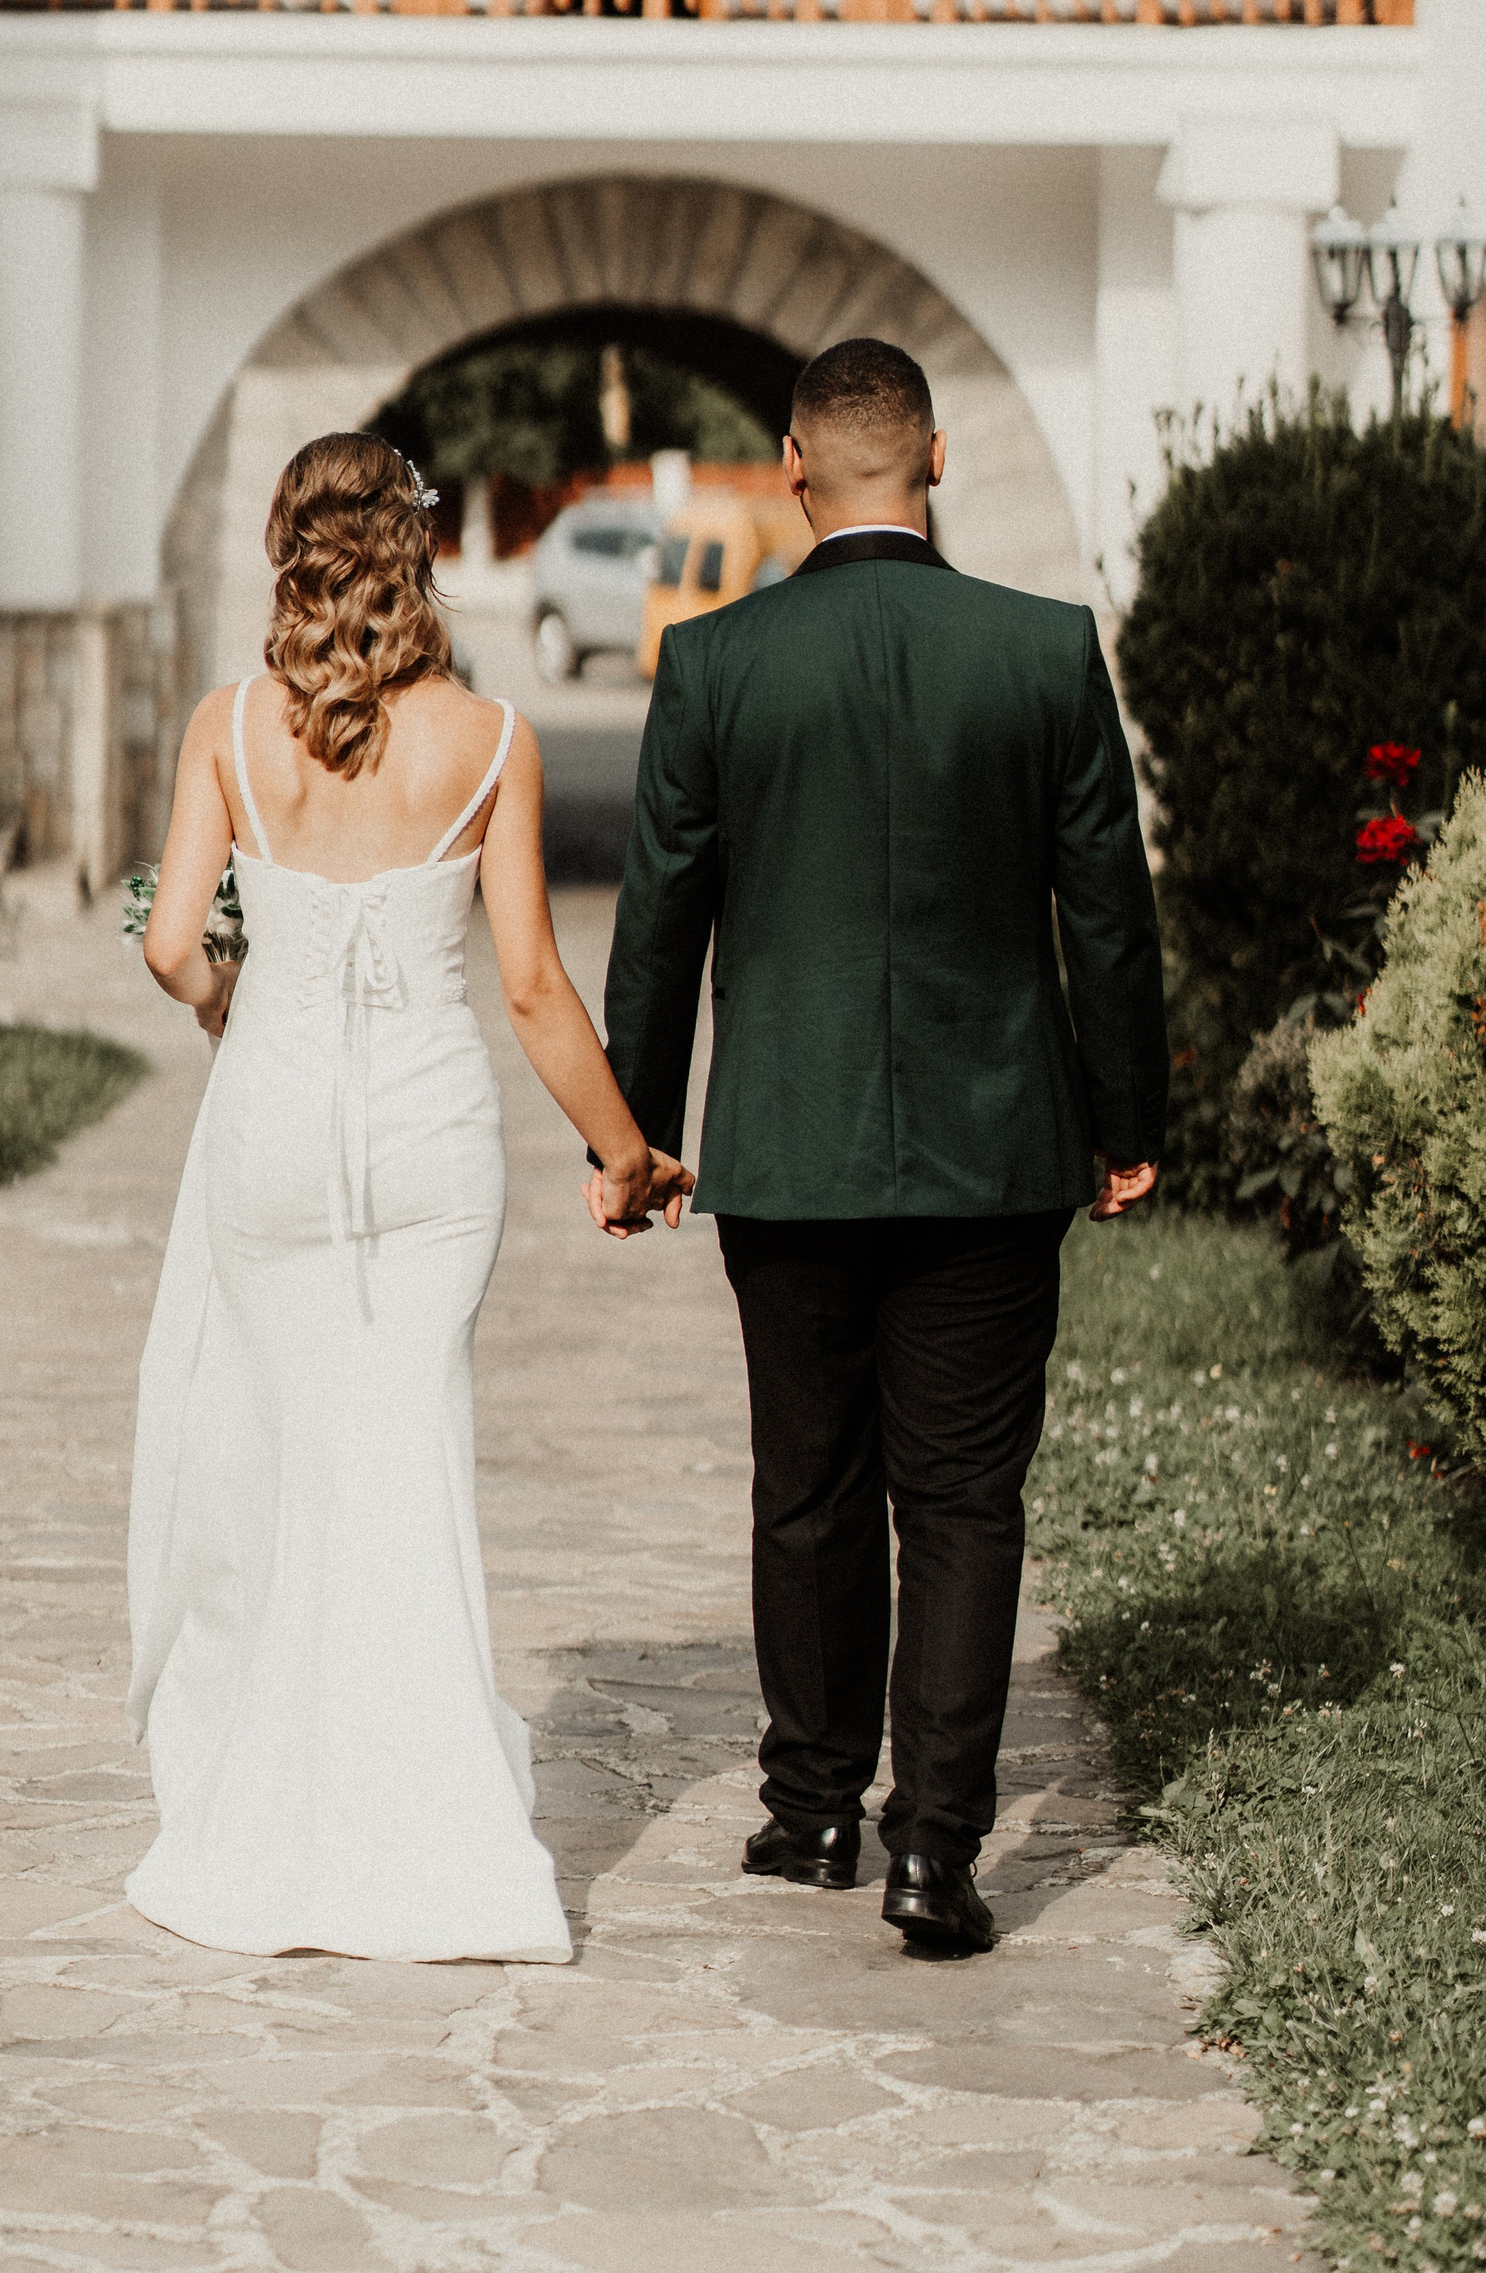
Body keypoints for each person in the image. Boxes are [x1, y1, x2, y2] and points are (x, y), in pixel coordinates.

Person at [599, 338, 1168, 1955]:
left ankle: (810, 1810)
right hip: (994, 1144)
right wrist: (1129, 1119)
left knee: (811, 1483)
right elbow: (1108, 911)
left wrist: (637, 1133)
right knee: (966, 1500)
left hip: (786, 1145)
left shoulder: (715, 660)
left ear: (792, 463)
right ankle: (936, 1850)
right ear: (937, 456)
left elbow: (662, 915)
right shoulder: (1042, 649)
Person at [126, 431, 691, 1964]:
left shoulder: (231, 728)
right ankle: (430, 1825)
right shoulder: (492, 741)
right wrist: (626, 1149)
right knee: (407, 1456)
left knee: (300, 1459)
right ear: (419, 550)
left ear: (289, 552)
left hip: (274, 1134)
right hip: (432, 1150)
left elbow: (174, 944)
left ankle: (284, 1812)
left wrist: (233, 993)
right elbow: (533, 987)